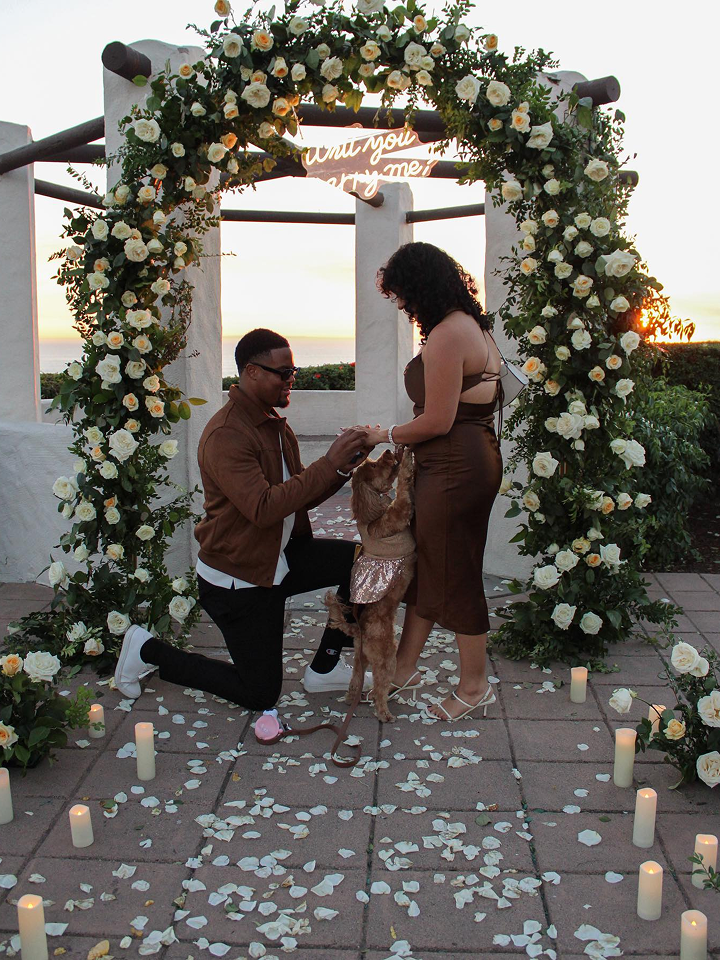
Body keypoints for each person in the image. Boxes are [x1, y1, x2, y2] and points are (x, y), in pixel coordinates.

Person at [115, 328, 370, 710]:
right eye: (283, 372)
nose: (291, 380)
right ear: (251, 372)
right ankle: (147, 649)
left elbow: (299, 496)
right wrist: (328, 462)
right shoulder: (226, 435)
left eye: (293, 371)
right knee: (260, 693)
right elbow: (263, 507)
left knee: (363, 563)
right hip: (239, 578)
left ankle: (324, 668)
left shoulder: (271, 423)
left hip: (277, 557)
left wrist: (342, 469)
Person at [361, 242, 503, 721]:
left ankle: (474, 684)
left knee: (457, 573)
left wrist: (386, 434)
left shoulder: (446, 335)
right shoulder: (474, 326)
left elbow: (438, 420)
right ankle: (403, 668)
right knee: (430, 564)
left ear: (421, 286)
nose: (402, 305)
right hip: (468, 459)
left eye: (403, 295)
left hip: (453, 468)